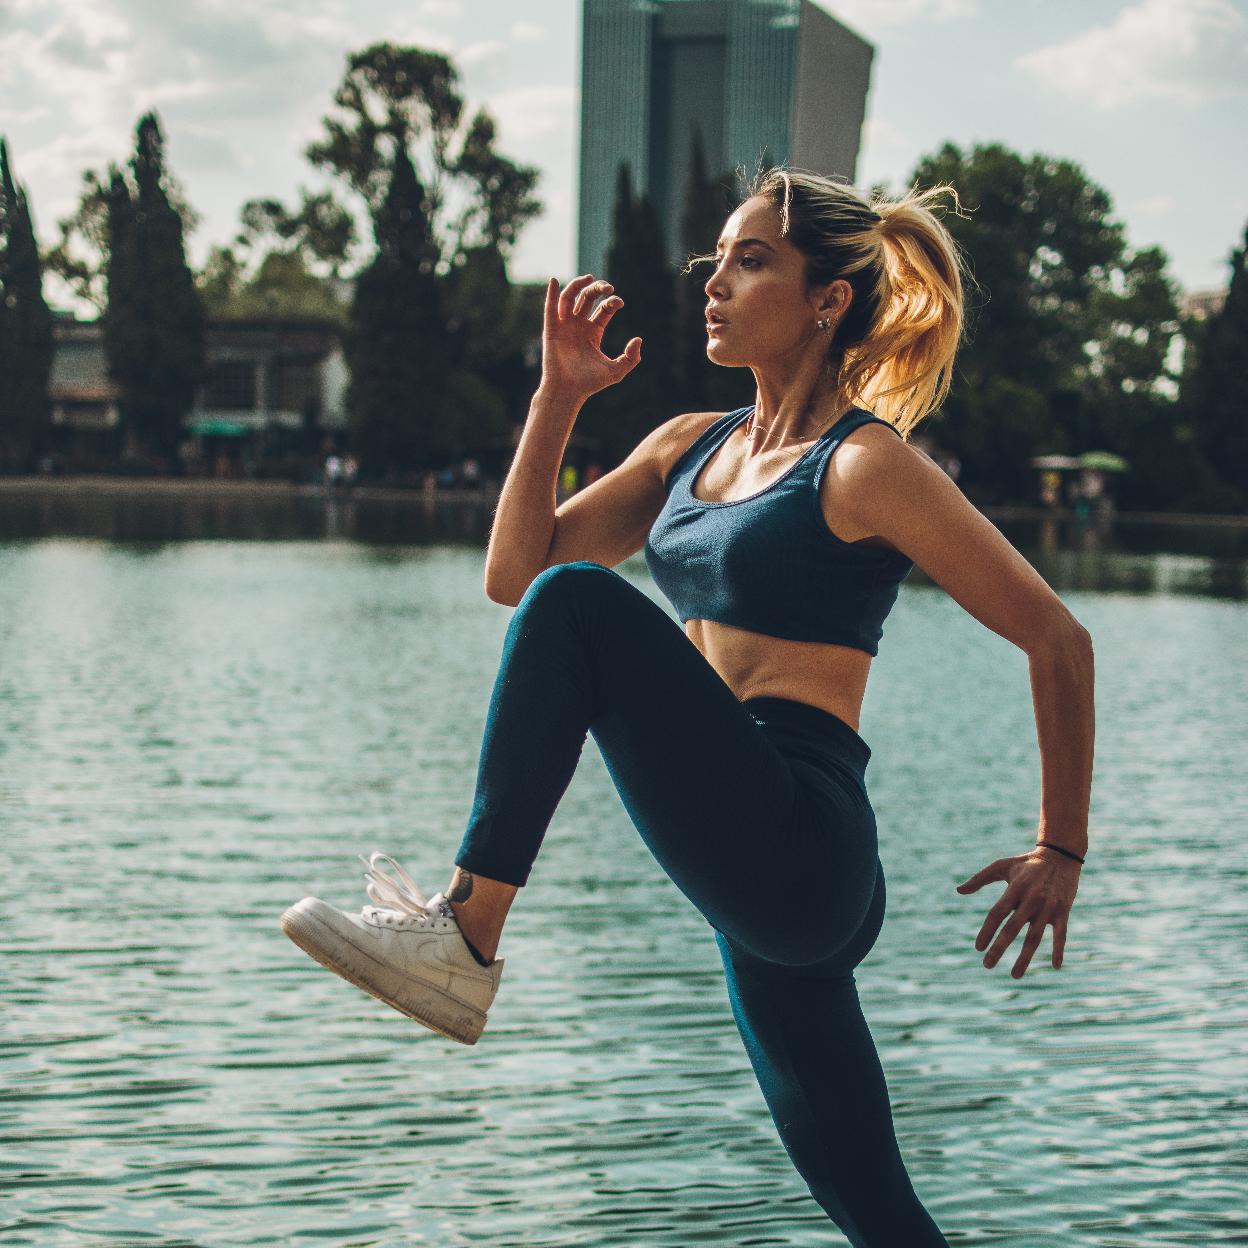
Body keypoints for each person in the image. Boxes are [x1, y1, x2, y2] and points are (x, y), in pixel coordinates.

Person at [280, 165, 1095, 1247]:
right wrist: (558, 398)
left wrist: (1061, 847)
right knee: (877, 1213)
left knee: (585, 604)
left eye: (751, 259)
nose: (715, 281)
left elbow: (1059, 638)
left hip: (801, 839)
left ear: (827, 300)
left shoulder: (863, 466)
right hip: (749, 868)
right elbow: (513, 576)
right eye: (716, 258)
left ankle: (465, 936)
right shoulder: (684, 448)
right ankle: (463, 941)